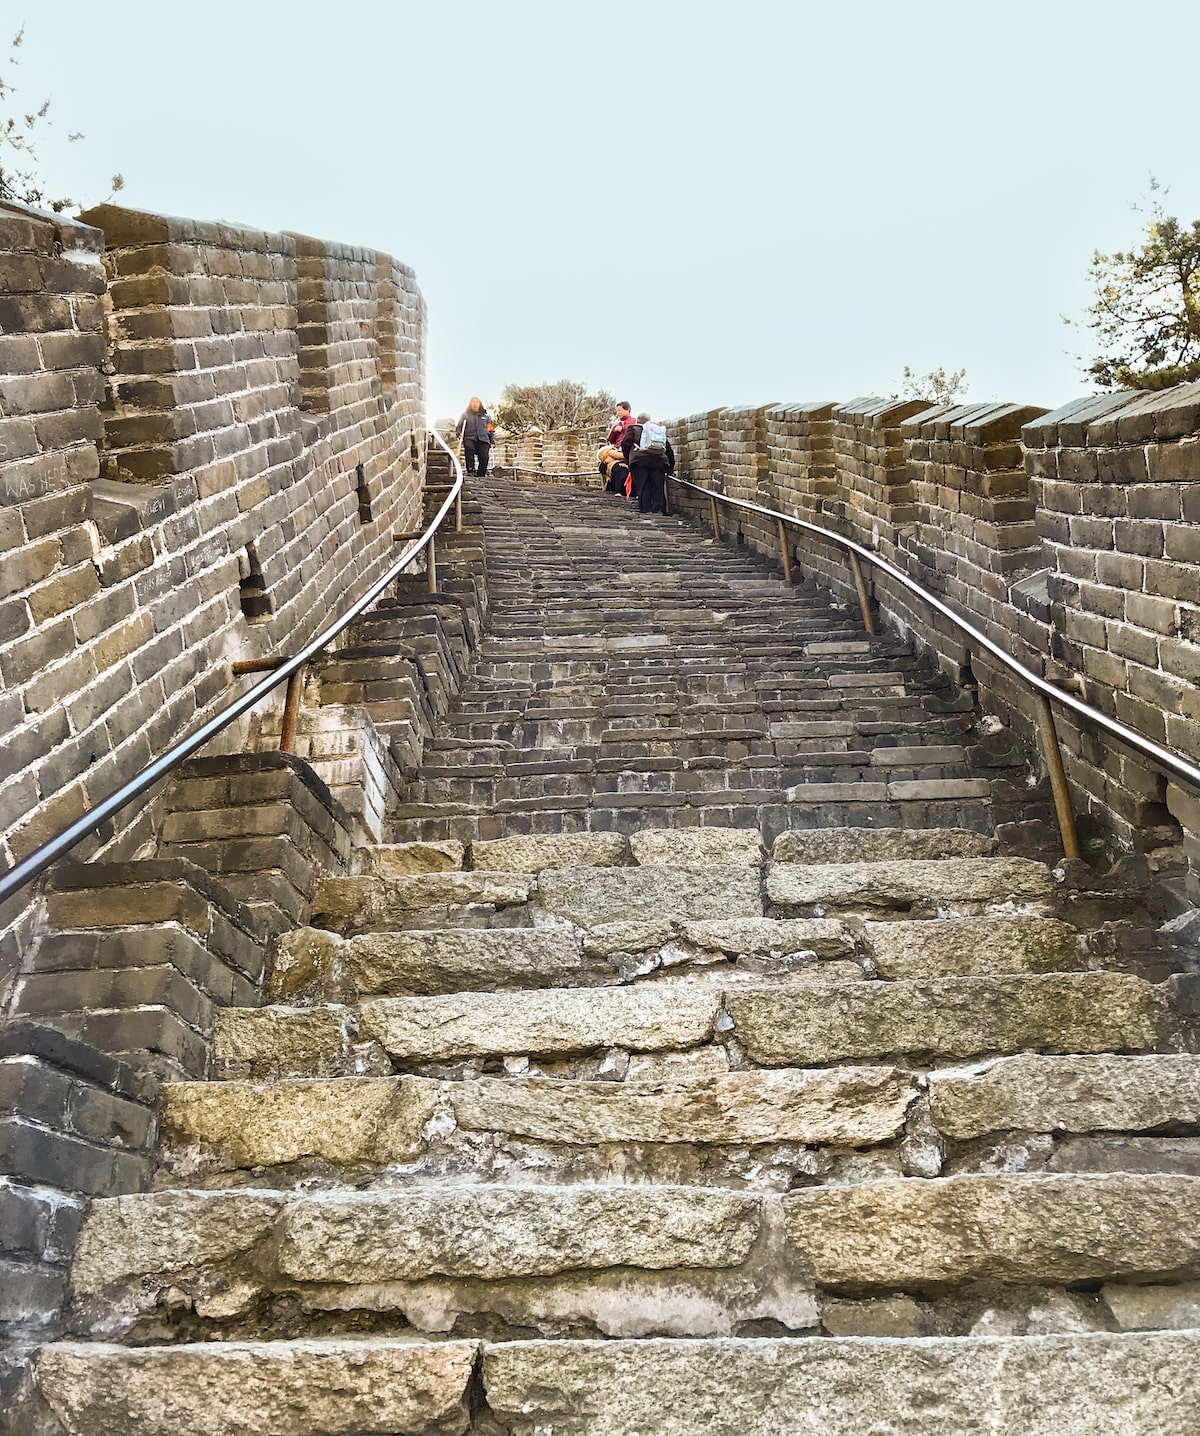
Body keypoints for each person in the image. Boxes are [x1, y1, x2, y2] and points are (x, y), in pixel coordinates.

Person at [627, 417, 675, 515]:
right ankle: (659, 509)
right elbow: (668, 448)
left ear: (638, 421)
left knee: (643, 485)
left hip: (640, 461)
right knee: (658, 486)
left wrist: (628, 459)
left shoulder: (633, 428)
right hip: (659, 461)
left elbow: (625, 443)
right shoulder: (658, 430)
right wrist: (670, 466)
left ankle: (646, 509)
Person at [456, 397, 494, 477]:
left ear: (480, 404)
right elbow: (459, 427)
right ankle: (470, 470)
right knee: (469, 449)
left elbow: (490, 429)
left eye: (477, 402)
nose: (474, 404)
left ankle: (481, 474)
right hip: (470, 437)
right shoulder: (465, 415)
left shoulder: (486, 417)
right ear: (470, 404)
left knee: (484, 457)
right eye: (473, 402)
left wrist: (492, 440)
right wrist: (459, 433)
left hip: (483, 439)